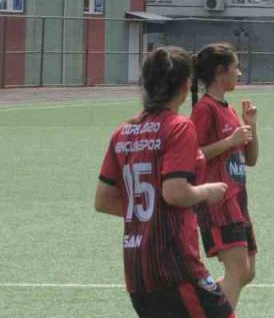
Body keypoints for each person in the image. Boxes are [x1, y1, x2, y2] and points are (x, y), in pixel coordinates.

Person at [95, 47, 235, 318]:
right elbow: (175, 193)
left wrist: (149, 212)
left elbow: (104, 201)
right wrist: (207, 191)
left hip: (137, 266)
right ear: (185, 85)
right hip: (174, 265)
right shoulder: (178, 127)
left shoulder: (123, 132)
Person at [191, 43, 258, 308]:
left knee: (247, 272)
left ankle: (194, 308)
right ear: (221, 71)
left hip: (239, 202)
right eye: (235, 67)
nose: (239, 73)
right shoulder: (205, 109)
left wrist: (251, 127)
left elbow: (250, 160)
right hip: (219, 202)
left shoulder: (229, 109)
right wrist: (230, 141)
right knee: (238, 271)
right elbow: (192, 154)